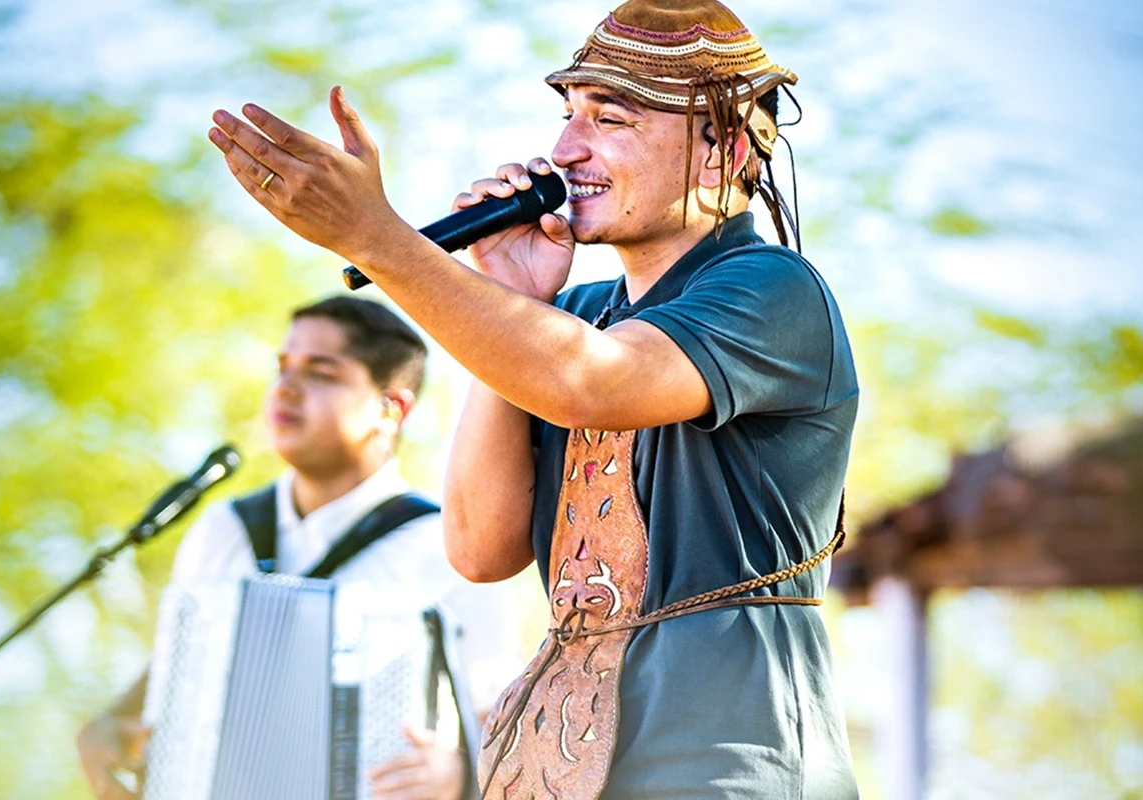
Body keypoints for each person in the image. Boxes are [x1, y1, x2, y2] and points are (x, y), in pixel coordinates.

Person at [207, 0, 860, 796]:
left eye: (609, 118)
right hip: (567, 766)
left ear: (719, 147)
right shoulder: (573, 319)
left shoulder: (773, 290)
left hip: (728, 762)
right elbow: (480, 548)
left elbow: (588, 382)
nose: (564, 149)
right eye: (567, 115)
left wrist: (378, 240)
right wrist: (510, 296)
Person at [77, 296, 523, 800]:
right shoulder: (225, 527)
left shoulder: (448, 546)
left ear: (390, 408)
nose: (286, 388)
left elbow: (502, 724)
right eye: (283, 368)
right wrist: (114, 721)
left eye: (321, 373)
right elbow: (177, 670)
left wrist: (460, 776)